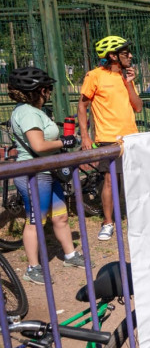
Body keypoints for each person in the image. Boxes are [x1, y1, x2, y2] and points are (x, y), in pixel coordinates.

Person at [7, 67, 85, 284]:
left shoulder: (36, 111)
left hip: (47, 171)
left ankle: (70, 255)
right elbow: (39, 145)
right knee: (35, 221)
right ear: (38, 90)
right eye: (48, 88)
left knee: (60, 216)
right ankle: (32, 268)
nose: (50, 91)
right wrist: (65, 142)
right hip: (34, 174)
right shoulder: (27, 113)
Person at [77, 35, 142, 241]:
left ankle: (136, 217)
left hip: (131, 137)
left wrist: (130, 83)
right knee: (109, 180)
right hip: (108, 137)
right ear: (112, 56)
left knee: (133, 180)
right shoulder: (94, 76)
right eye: (125, 53)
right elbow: (82, 105)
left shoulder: (125, 76)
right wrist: (85, 136)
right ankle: (108, 222)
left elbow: (138, 107)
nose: (130, 56)